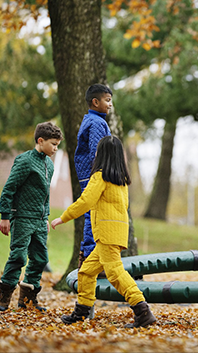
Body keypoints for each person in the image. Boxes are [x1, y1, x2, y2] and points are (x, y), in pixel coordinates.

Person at [51, 135, 157, 328]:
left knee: (115, 273)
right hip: (115, 234)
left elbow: (86, 201)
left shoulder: (100, 176)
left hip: (107, 234)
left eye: (98, 150)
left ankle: (142, 311)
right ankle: (81, 312)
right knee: (86, 272)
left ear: (103, 154)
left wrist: (63, 217)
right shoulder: (121, 181)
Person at [0, 122, 63, 312]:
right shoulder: (24, 161)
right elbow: (9, 189)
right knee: (18, 257)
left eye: (58, 145)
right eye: (53, 144)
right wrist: (5, 216)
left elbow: (45, 194)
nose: (56, 148)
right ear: (40, 141)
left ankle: (27, 299)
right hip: (22, 218)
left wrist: (45, 217)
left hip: (39, 221)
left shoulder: (49, 163)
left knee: (40, 259)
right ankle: (3, 298)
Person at [75, 83, 112, 269]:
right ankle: (90, 258)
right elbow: (97, 153)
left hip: (89, 175)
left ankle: (87, 254)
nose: (110, 104)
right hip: (93, 175)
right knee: (93, 215)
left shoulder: (92, 120)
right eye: (107, 100)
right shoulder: (97, 123)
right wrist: (102, 175)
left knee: (93, 214)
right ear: (95, 102)